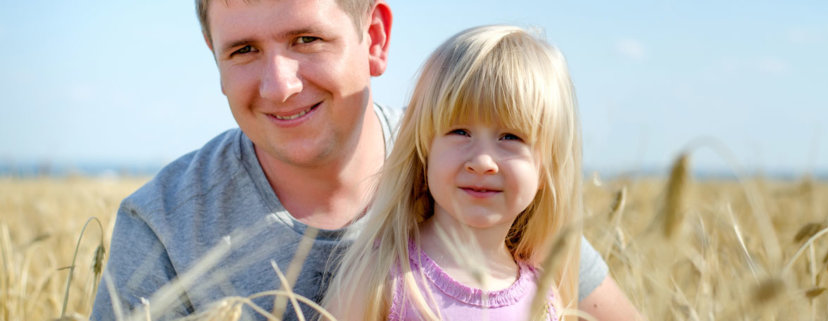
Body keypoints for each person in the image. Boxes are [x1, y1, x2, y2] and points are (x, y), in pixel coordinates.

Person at [92, 1, 639, 320]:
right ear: (215, 56)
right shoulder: (161, 225)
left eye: (307, 39)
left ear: (374, 38)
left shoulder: (467, 170)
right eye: (243, 50)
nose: (280, 86)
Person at [321, 25, 632, 321]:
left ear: (545, 169)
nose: (482, 161)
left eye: (511, 137)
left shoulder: (545, 297)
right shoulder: (382, 277)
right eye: (460, 131)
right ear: (425, 150)